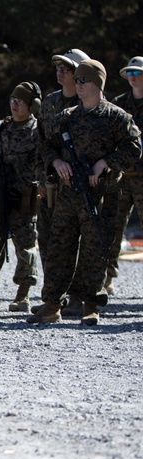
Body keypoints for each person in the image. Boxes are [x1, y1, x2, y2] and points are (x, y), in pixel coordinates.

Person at [30, 59, 141, 326]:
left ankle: (90, 304)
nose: (77, 85)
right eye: (76, 80)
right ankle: (52, 304)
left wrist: (106, 163)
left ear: (98, 83)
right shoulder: (67, 118)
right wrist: (57, 162)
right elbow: (45, 146)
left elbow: (134, 148)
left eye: (83, 80)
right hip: (69, 196)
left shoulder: (117, 118)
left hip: (101, 196)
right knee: (59, 249)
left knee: (96, 251)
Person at [0, 82, 42, 312]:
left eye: (21, 101)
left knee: (25, 246)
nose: (15, 104)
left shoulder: (38, 133)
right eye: (13, 99)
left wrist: (23, 185)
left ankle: (23, 294)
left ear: (32, 106)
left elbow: (41, 165)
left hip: (23, 198)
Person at [36, 48, 90, 315]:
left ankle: (79, 296)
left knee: (80, 241)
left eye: (66, 68)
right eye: (58, 67)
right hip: (52, 183)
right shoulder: (50, 102)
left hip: (82, 185)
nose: (60, 72)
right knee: (49, 240)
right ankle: (54, 298)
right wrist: (44, 174)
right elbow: (42, 143)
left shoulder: (89, 103)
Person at [104, 56, 143, 294]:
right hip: (121, 176)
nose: (132, 77)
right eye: (130, 73)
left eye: (137, 73)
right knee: (112, 227)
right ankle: (106, 279)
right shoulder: (119, 104)